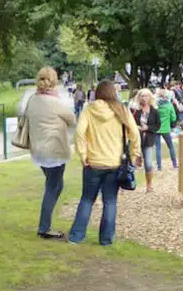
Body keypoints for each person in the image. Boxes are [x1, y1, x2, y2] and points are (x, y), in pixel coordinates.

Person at [69, 80, 141, 246]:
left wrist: (83, 154)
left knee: (87, 200)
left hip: (93, 162)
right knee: (110, 202)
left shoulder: (89, 109)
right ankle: (106, 239)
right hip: (115, 163)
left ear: (98, 93)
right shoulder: (121, 110)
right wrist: (134, 153)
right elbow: (135, 133)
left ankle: (76, 236)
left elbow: (79, 132)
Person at [22, 67, 76, 240]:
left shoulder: (33, 99)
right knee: (53, 187)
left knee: (54, 185)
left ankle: (45, 226)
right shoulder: (55, 102)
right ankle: (44, 228)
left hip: (38, 151)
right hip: (54, 151)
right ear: (54, 81)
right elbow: (72, 119)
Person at [133, 88, 161, 192]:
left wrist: (148, 128)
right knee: (132, 164)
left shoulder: (154, 111)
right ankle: (126, 184)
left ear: (150, 97)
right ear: (139, 97)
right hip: (136, 140)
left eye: (146, 96)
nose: (144, 98)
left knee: (148, 164)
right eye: (142, 96)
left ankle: (149, 185)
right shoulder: (135, 110)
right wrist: (136, 127)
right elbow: (130, 123)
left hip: (148, 140)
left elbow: (157, 126)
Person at [155, 89, 178, 170]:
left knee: (158, 148)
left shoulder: (155, 105)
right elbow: (173, 118)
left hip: (156, 129)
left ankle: (159, 166)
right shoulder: (169, 105)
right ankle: (174, 164)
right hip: (165, 128)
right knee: (171, 146)